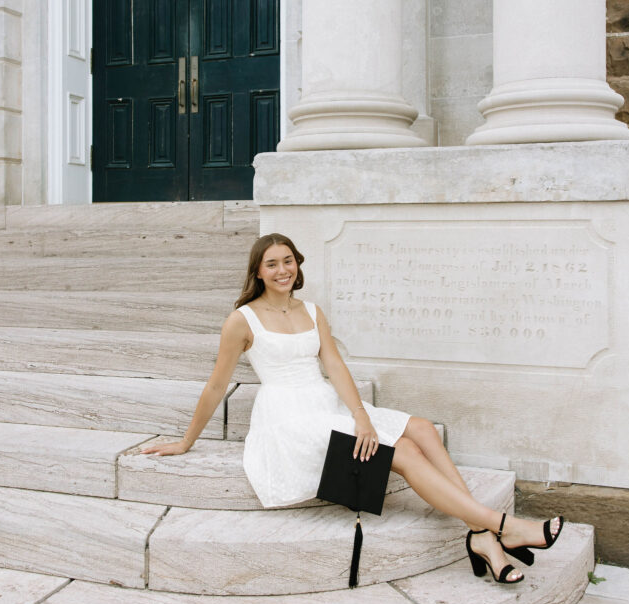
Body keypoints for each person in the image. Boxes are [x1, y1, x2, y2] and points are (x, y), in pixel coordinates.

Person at [142, 233, 563, 585]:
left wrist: (361, 415)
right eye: (272, 264)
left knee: (422, 429)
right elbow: (217, 384)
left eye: (288, 261)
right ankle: (502, 527)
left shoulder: (311, 311)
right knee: (405, 454)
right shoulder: (242, 320)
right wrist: (186, 441)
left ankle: (481, 535)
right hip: (288, 419)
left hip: (324, 402)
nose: (282, 270)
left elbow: (335, 366)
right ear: (258, 272)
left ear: (297, 264)